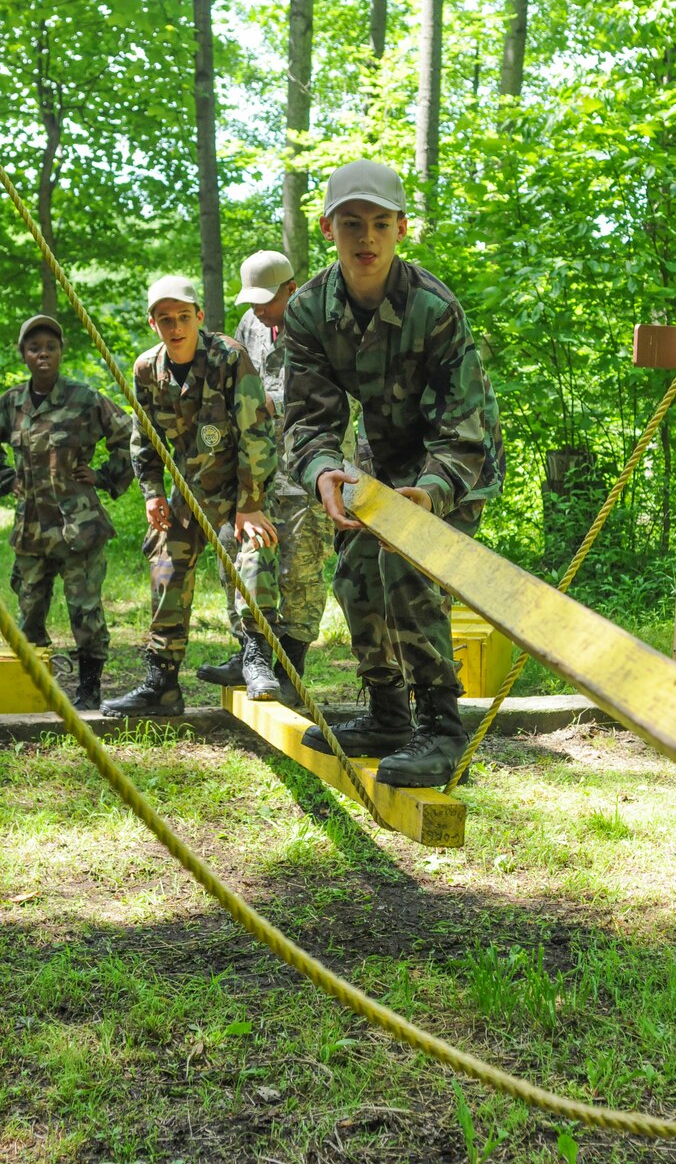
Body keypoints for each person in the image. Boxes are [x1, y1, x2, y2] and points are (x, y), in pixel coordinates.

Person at [283, 160, 504, 788]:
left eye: (381, 223)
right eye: (352, 223)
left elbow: (463, 427)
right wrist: (325, 471)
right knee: (355, 564)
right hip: (383, 455)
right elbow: (306, 419)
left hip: (456, 458)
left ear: (402, 229)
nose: (366, 238)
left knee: (407, 560)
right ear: (329, 228)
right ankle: (386, 714)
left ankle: (440, 727)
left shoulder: (433, 308)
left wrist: (431, 493)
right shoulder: (308, 312)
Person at [100, 277, 282, 718]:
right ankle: (161, 681)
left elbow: (256, 433)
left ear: (199, 317)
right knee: (165, 561)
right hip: (185, 494)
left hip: (237, 488)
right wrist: (151, 493)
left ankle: (255, 657)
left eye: (184, 317)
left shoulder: (229, 358)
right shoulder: (147, 369)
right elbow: (142, 439)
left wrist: (251, 504)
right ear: (153, 323)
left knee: (252, 552)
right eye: (166, 320)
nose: (176, 327)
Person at [196, 250, 335, 707]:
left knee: (303, 568)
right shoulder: (249, 328)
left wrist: (271, 400)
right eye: (252, 300)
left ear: (290, 290)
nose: (258, 309)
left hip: (310, 468)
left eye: (267, 299)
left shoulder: (321, 326)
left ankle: (290, 666)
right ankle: (248, 653)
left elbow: (339, 397)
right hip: (255, 467)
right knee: (242, 557)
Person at [0, 315, 133, 709]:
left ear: (61, 352)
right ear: (24, 354)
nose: (43, 354)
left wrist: (105, 476)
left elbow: (128, 436)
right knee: (29, 613)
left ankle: (89, 691)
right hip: (31, 530)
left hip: (79, 527)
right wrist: (7, 478)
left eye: (50, 347)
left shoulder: (85, 398)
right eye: (34, 348)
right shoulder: (10, 403)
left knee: (85, 612)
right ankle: (34, 688)